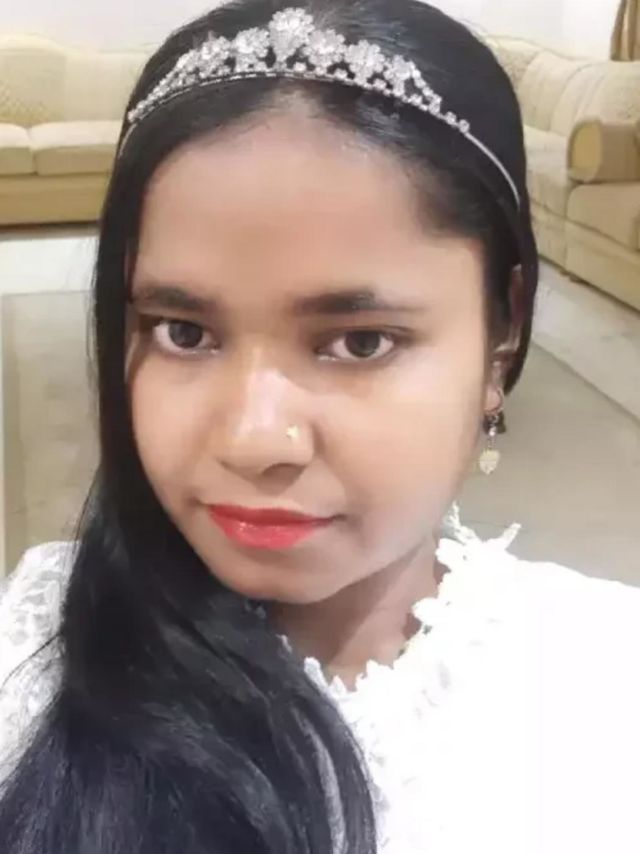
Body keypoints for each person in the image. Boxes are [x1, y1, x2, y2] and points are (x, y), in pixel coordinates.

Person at [0, 1, 639, 851]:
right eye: (182, 331)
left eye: (359, 342)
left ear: (503, 332)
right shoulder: (32, 644)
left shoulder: (603, 677)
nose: (254, 440)